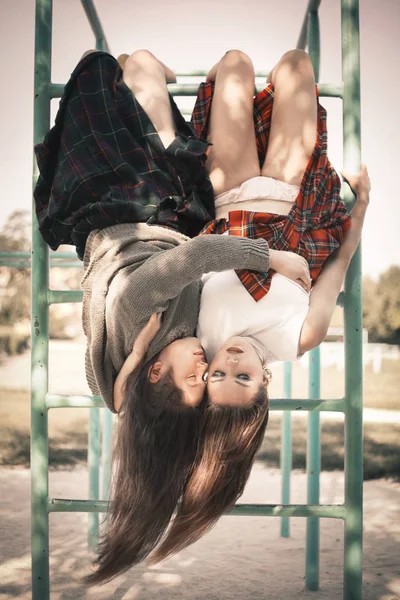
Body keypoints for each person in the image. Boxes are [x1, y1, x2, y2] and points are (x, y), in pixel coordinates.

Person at [33, 49, 308, 583]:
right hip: (175, 212)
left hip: (126, 203)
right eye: (210, 377)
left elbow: (193, 260)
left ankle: (148, 71)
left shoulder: (137, 312)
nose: (206, 363)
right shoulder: (147, 370)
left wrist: (270, 258)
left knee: (124, 70)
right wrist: (134, 366)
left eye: (195, 373)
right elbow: (116, 399)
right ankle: (151, 72)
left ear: (159, 373)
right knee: (145, 76)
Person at [149, 49, 370, 563]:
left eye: (216, 378)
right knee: (297, 65)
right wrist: (362, 208)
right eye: (242, 378)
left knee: (235, 64)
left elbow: (138, 378)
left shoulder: (195, 341)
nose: (227, 363)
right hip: (292, 198)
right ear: (265, 383)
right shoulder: (298, 340)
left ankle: (229, 90)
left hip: (229, 198)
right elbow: (337, 264)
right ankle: (265, 102)